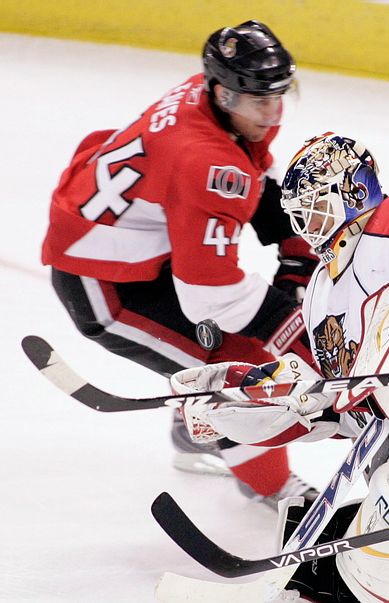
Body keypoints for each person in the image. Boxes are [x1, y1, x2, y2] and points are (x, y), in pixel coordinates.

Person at [171, 133, 389, 602]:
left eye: (314, 204)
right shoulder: (321, 294)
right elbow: (353, 402)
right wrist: (265, 398)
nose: (306, 222)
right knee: (331, 558)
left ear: (355, 190)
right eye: (298, 212)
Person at [40, 20, 321, 507]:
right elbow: (211, 293)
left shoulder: (209, 97)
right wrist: (294, 329)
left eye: (280, 95)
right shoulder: (205, 160)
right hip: (103, 281)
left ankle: (195, 432)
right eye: (261, 101)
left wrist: (294, 250)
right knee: (240, 371)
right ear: (223, 94)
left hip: (142, 249)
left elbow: (253, 166)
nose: (274, 112)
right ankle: (279, 493)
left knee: (236, 350)